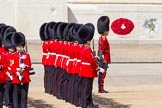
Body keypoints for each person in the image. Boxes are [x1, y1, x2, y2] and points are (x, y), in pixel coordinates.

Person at [78, 24, 103, 108]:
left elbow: (91, 58)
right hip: (87, 71)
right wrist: (97, 68)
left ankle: (89, 104)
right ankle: (86, 104)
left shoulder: (85, 49)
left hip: (87, 71)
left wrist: (95, 57)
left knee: (88, 89)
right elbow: (91, 61)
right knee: (87, 90)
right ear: (87, 40)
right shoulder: (87, 50)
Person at [11, 32, 31, 108]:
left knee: (24, 96)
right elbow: (11, 66)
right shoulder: (13, 56)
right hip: (16, 78)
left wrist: (25, 67)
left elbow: (29, 66)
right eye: (18, 46)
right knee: (16, 96)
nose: (20, 48)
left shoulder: (26, 55)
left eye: (21, 46)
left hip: (25, 78)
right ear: (15, 47)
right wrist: (17, 72)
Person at [97, 16, 111, 93]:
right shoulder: (103, 39)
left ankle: (101, 87)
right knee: (102, 74)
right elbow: (102, 50)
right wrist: (104, 60)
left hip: (104, 57)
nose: (108, 31)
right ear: (104, 31)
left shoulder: (101, 37)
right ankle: (101, 88)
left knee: (102, 73)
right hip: (104, 58)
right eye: (107, 30)